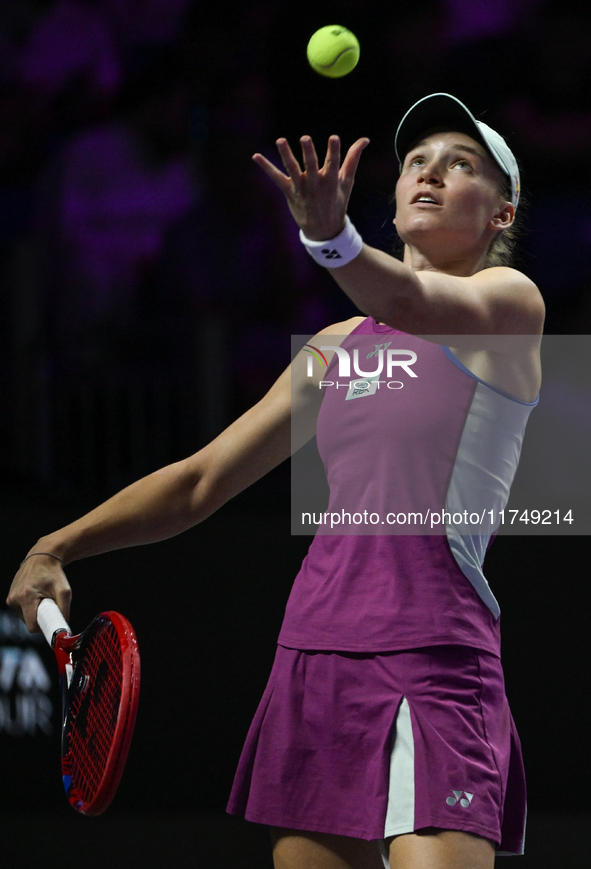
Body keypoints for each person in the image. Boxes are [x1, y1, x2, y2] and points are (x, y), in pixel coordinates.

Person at [7, 94, 545, 869]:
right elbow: (199, 482)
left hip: (435, 654)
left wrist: (329, 238)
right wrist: (55, 543)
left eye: (462, 165)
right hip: (315, 652)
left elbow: (405, 297)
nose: (430, 172)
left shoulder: (508, 307)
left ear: (499, 215)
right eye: (417, 162)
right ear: (391, 207)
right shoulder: (331, 348)